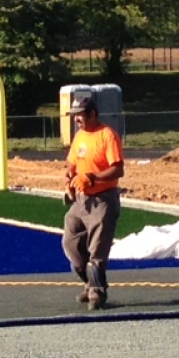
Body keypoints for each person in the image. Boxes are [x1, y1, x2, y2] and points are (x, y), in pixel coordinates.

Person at [62, 96, 124, 310]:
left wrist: (92, 177)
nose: (76, 119)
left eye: (80, 115)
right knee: (71, 242)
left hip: (102, 199)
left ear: (92, 114)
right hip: (81, 200)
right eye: (74, 116)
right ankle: (89, 283)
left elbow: (118, 169)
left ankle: (97, 292)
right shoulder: (80, 136)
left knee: (97, 249)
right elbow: (72, 162)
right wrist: (70, 176)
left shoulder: (107, 135)